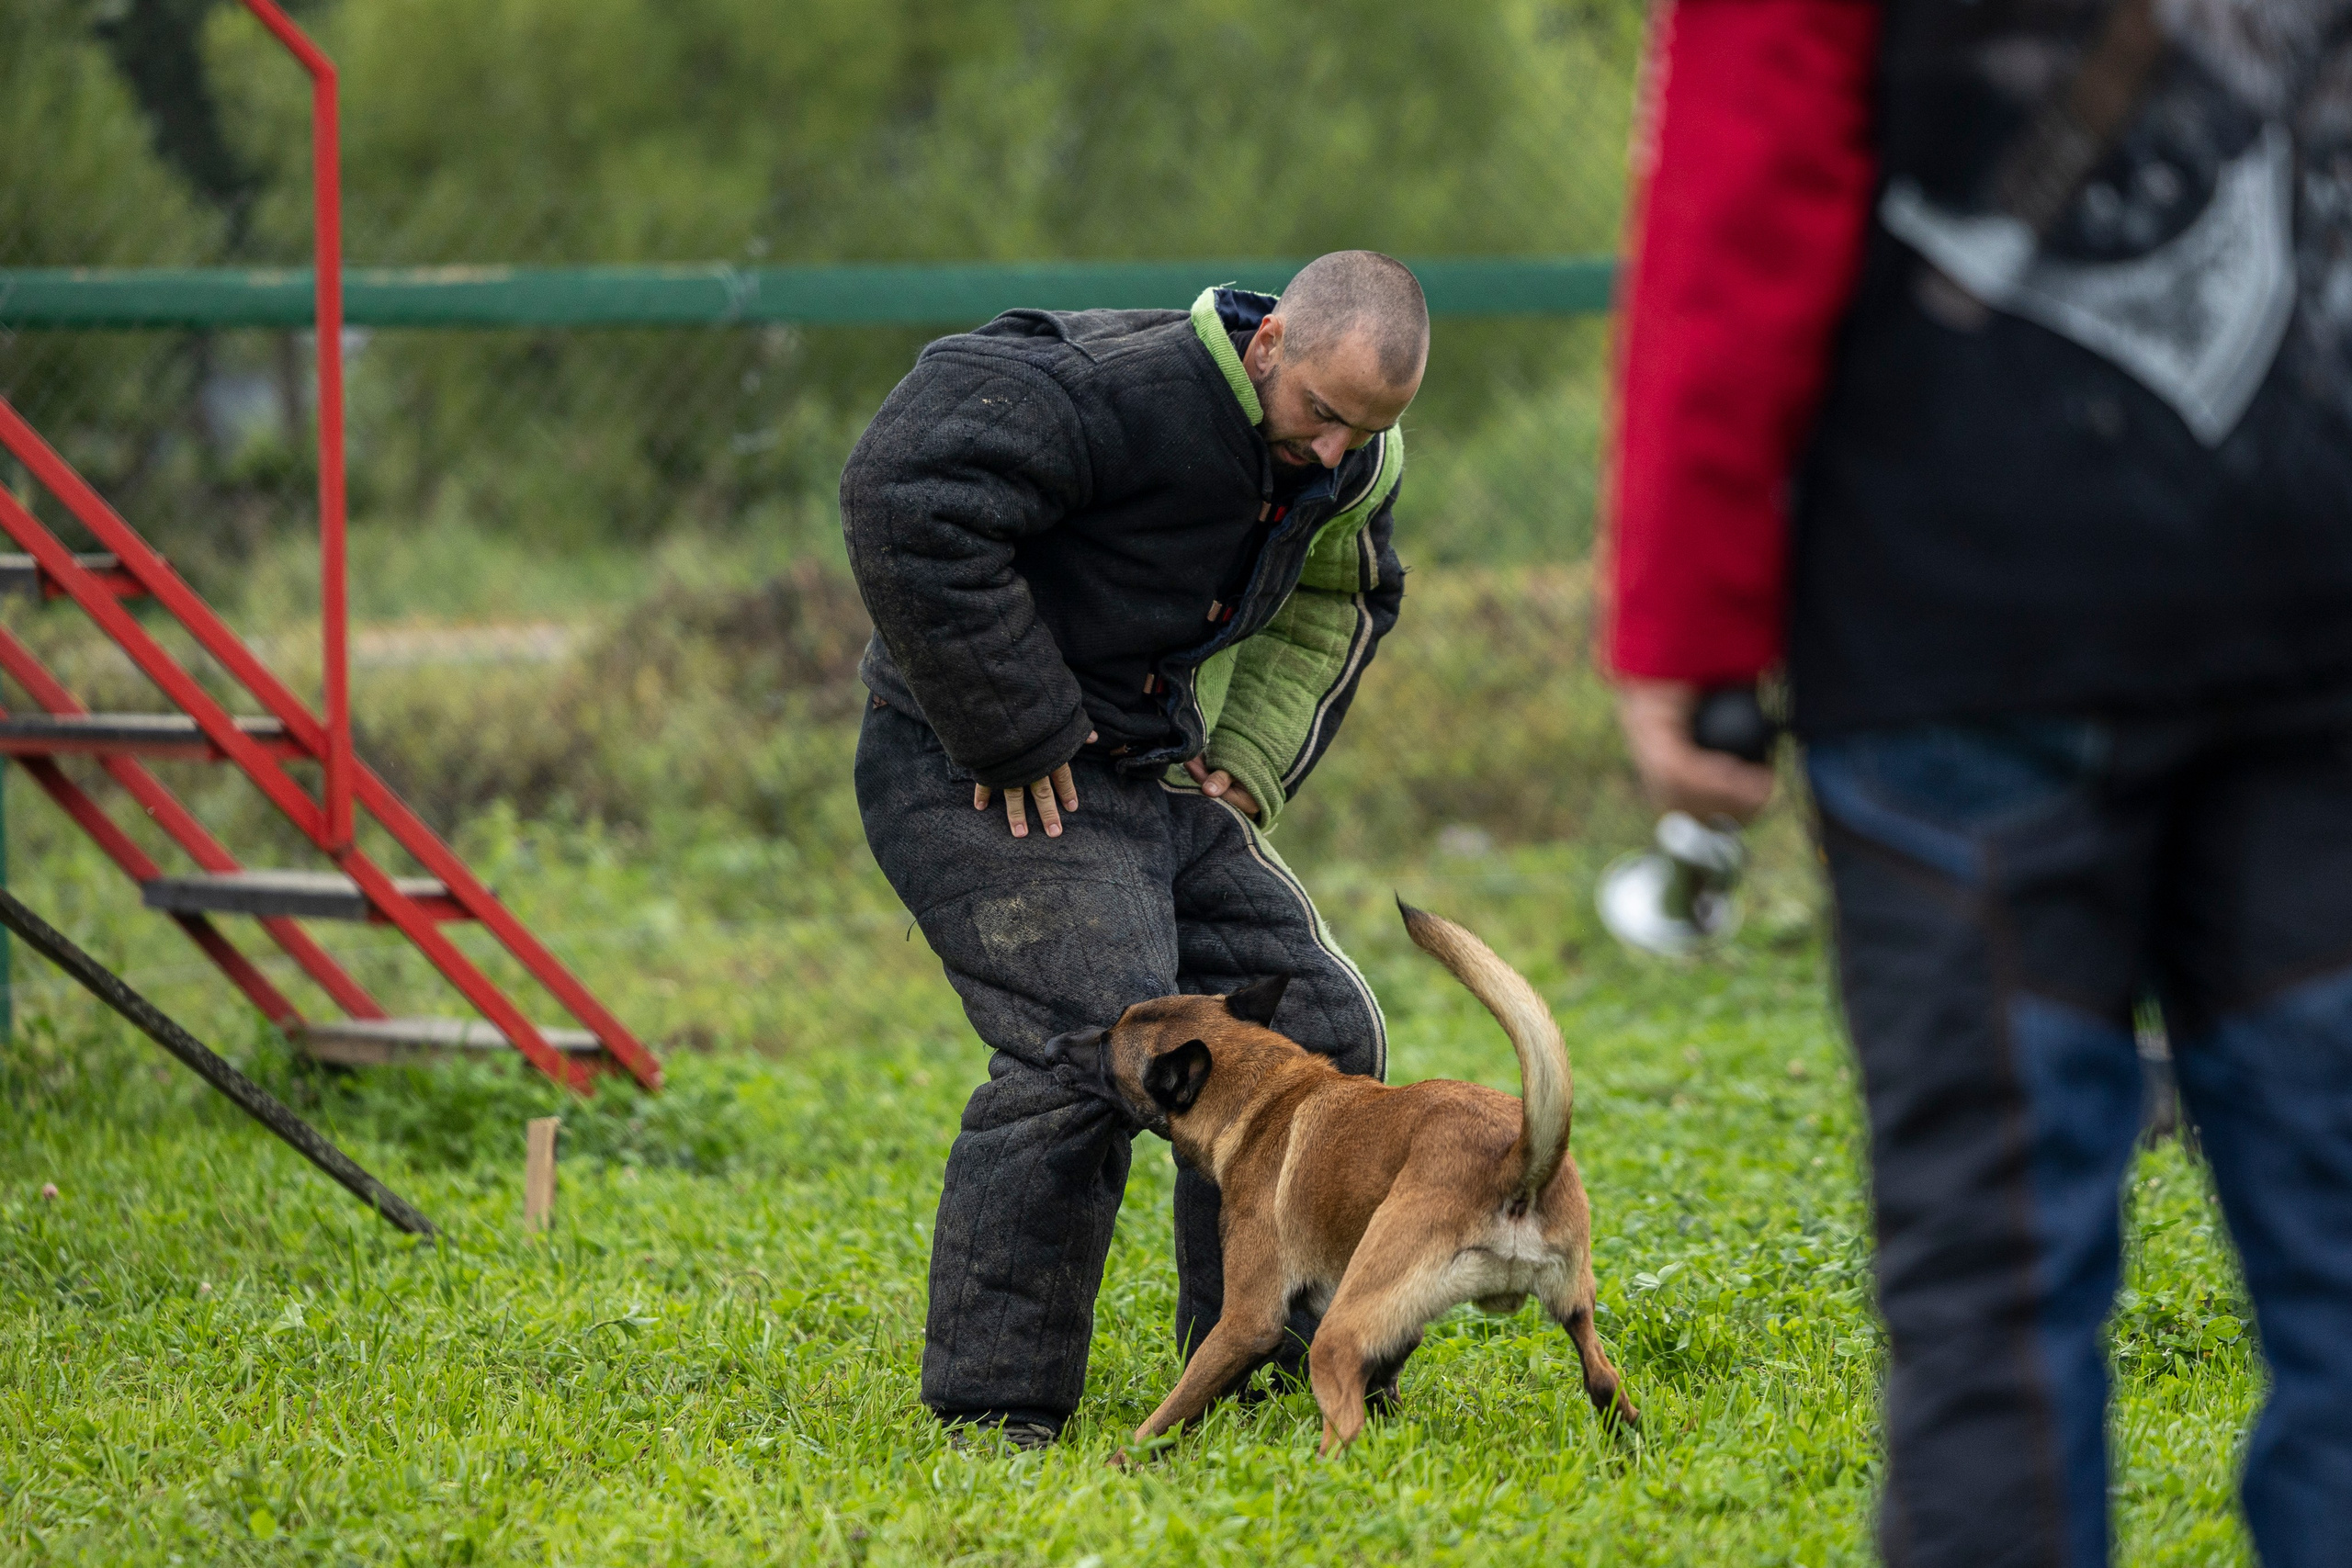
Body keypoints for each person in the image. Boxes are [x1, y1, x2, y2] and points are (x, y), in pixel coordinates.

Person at [1603, 2, 2352, 1563]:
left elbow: (1748, 184)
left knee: (1993, 1297)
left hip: (1967, 611)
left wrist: (1688, 606)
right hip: (2302, 580)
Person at [842, 252, 1430, 1448]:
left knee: (1319, 1021)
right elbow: (906, 493)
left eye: (1362, 431)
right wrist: (1016, 726)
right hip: (966, 762)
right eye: (1321, 412)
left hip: (1145, 768)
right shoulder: (1106, 389)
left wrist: (1251, 753)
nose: (1333, 452)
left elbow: (1339, 596)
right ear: (1269, 348)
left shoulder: (1350, 460)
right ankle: (1000, 1409)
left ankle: (1273, 1355)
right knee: (1102, 1041)